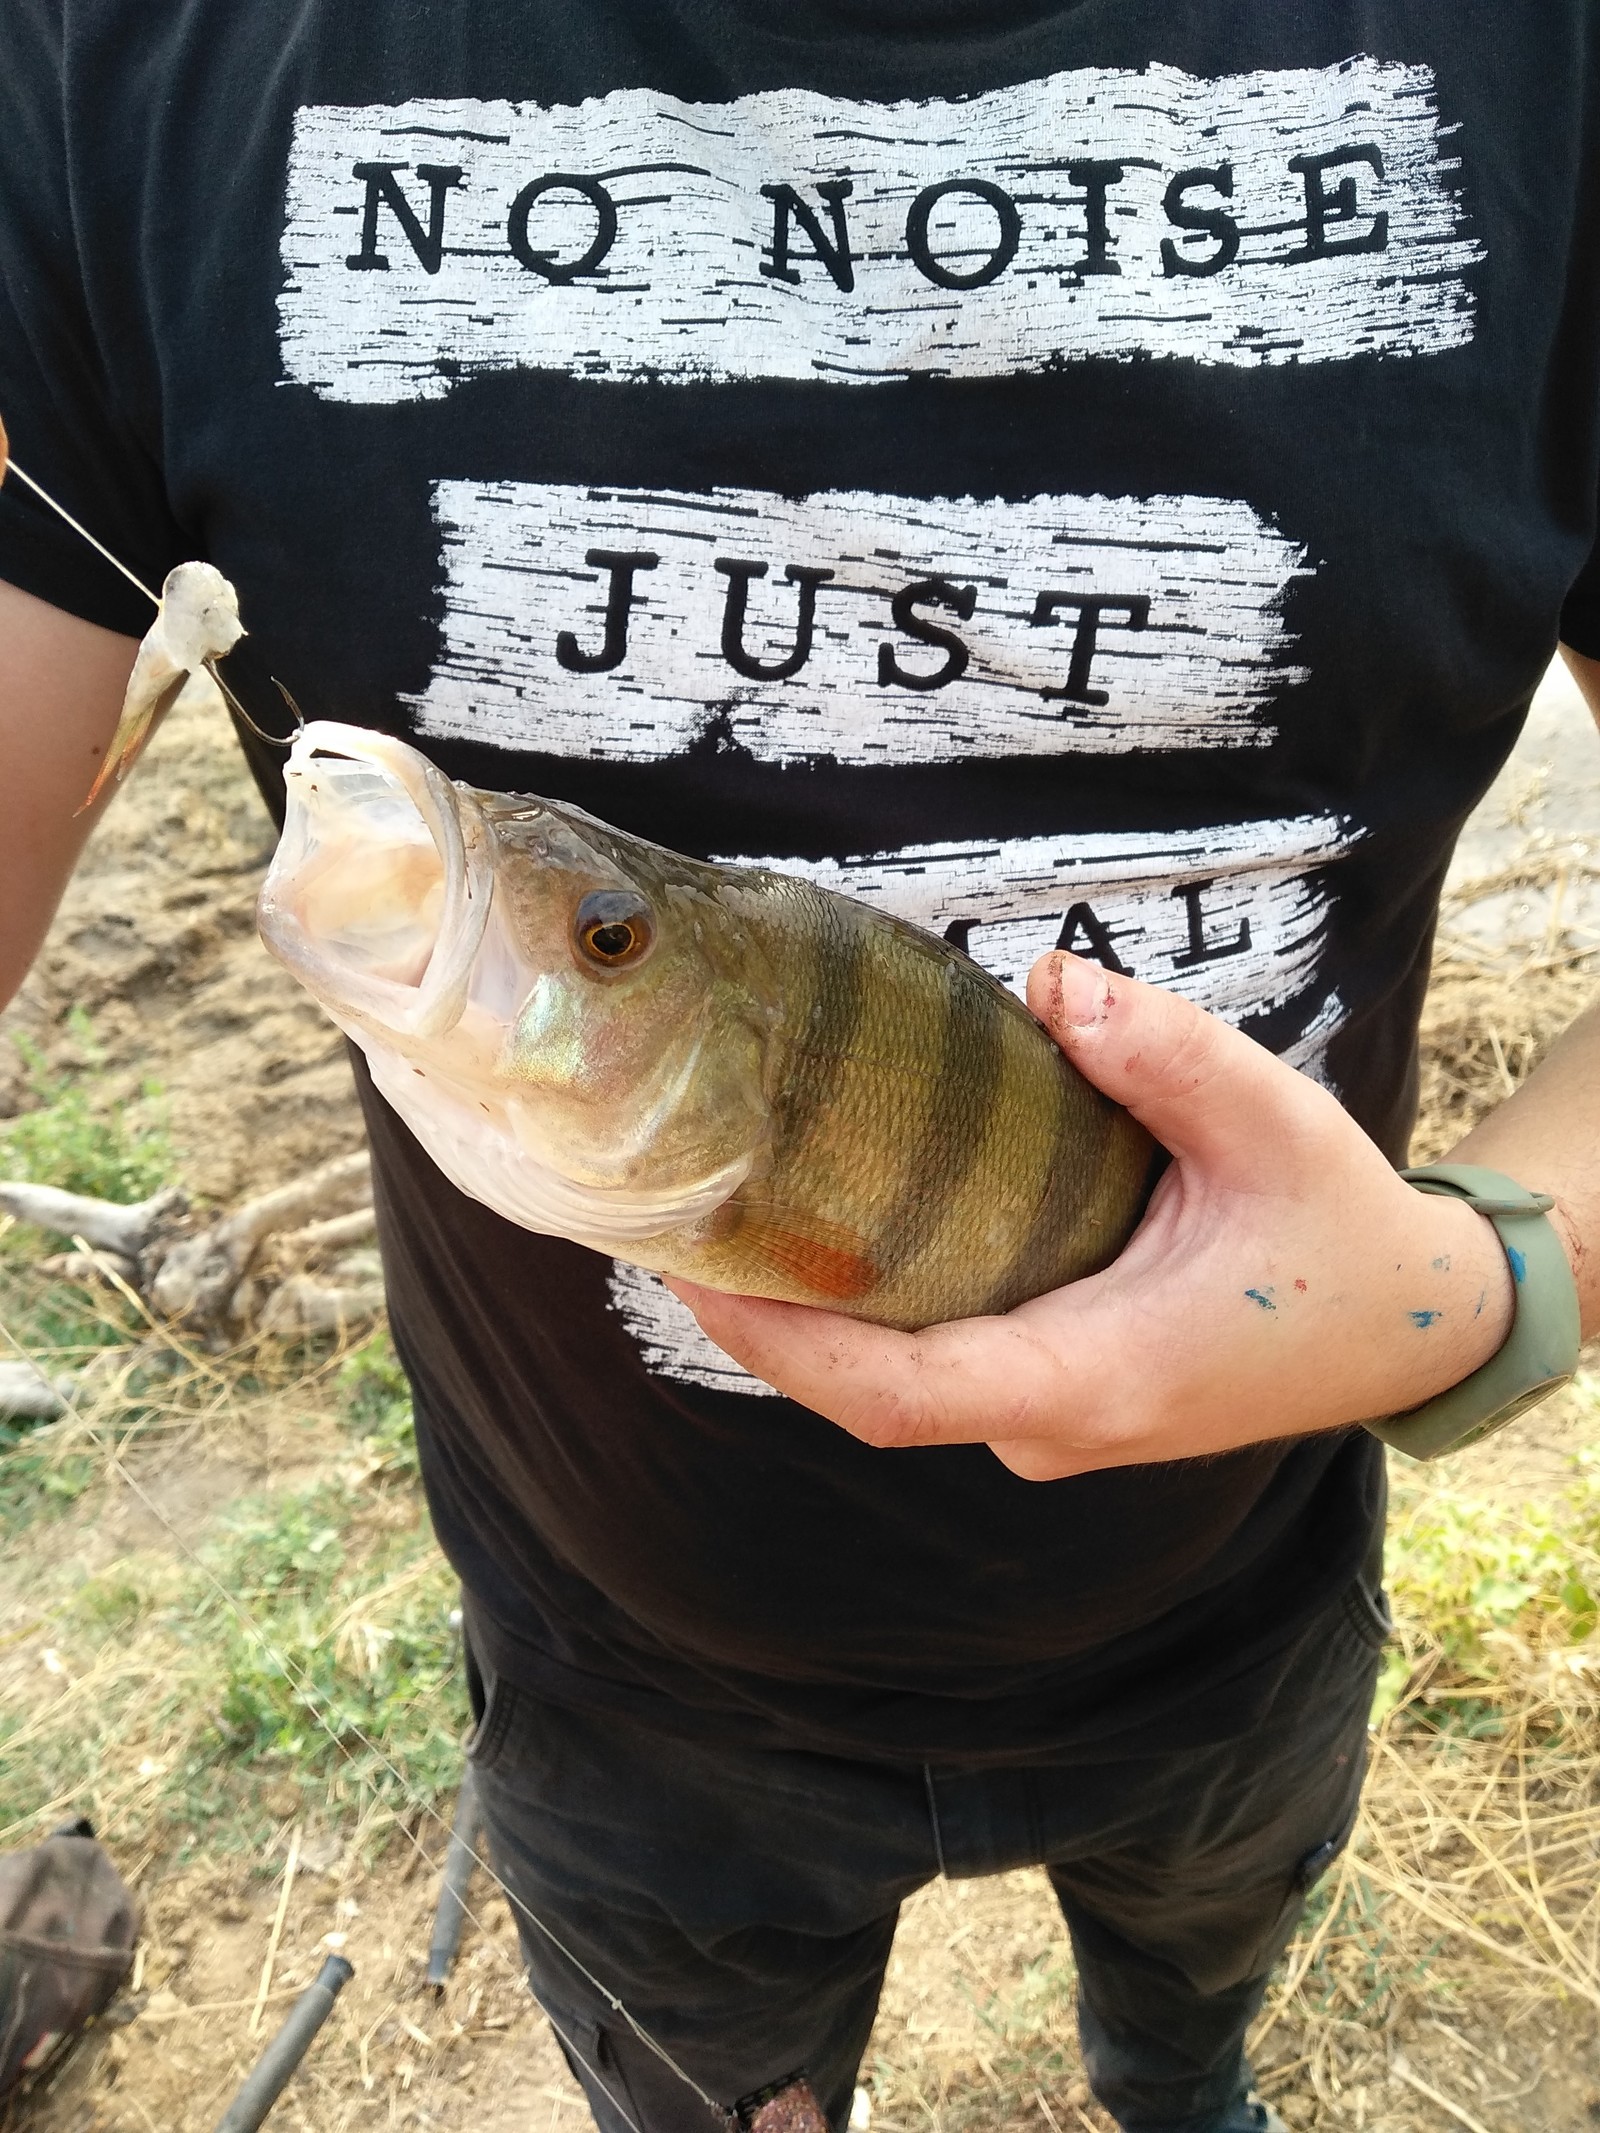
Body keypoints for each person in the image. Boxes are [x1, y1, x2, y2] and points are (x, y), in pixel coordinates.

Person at [2, 3, 1597, 2127]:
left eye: (595, 931)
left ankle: (1173, 2065)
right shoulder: (126, 66)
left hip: (1244, 1609)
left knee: (1194, 2007)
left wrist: (1467, 1282)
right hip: (617, 1682)